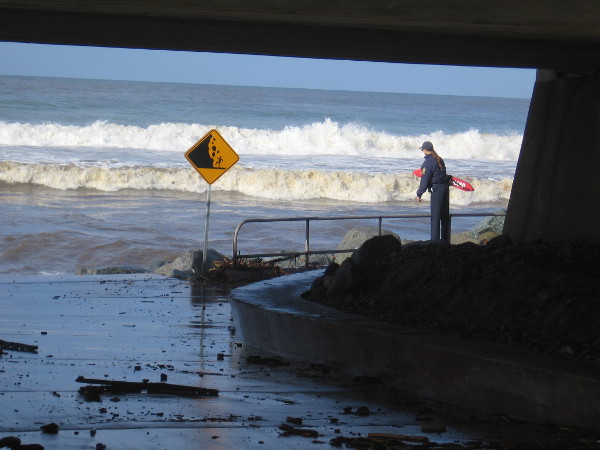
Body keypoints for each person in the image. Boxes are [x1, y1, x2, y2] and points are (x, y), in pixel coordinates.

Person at [416, 141, 450, 242]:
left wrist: (419, 194)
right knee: (444, 217)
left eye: (422, 149)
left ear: (425, 151)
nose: (422, 151)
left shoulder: (427, 163)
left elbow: (425, 179)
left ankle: (434, 242)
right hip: (445, 189)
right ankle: (445, 241)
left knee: (435, 217)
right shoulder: (439, 159)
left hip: (437, 190)